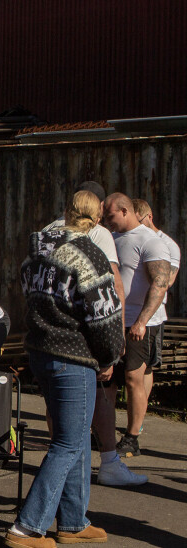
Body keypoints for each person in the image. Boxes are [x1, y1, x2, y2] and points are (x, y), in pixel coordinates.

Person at [6, 190, 124, 548]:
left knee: (73, 439)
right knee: (69, 444)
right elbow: (104, 316)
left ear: (66, 212)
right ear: (98, 217)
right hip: (75, 356)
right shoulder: (90, 254)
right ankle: (27, 528)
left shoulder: (38, 252)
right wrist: (110, 356)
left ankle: (73, 521)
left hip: (42, 351)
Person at [44, 180, 139, 484]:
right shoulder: (98, 234)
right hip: (84, 334)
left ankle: (66, 468)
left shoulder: (47, 231)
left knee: (56, 402)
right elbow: (115, 287)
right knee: (100, 395)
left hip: (48, 333)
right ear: (97, 210)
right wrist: (116, 340)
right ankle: (107, 462)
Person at [103, 192, 171, 458]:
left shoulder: (150, 241)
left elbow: (160, 283)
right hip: (112, 321)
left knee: (133, 378)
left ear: (124, 211)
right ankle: (104, 433)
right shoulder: (111, 239)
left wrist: (142, 321)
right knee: (107, 380)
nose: (107, 221)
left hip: (139, 322)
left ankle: (132, 437)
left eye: (110, 216)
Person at [132, 198, 180, 413]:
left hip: (153, 316)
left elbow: (167, 281)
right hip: (129, 313)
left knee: (147, 366)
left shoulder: (167, 244)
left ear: (149, 216)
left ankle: (139, 419)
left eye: (139, 221)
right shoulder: (131, 238)